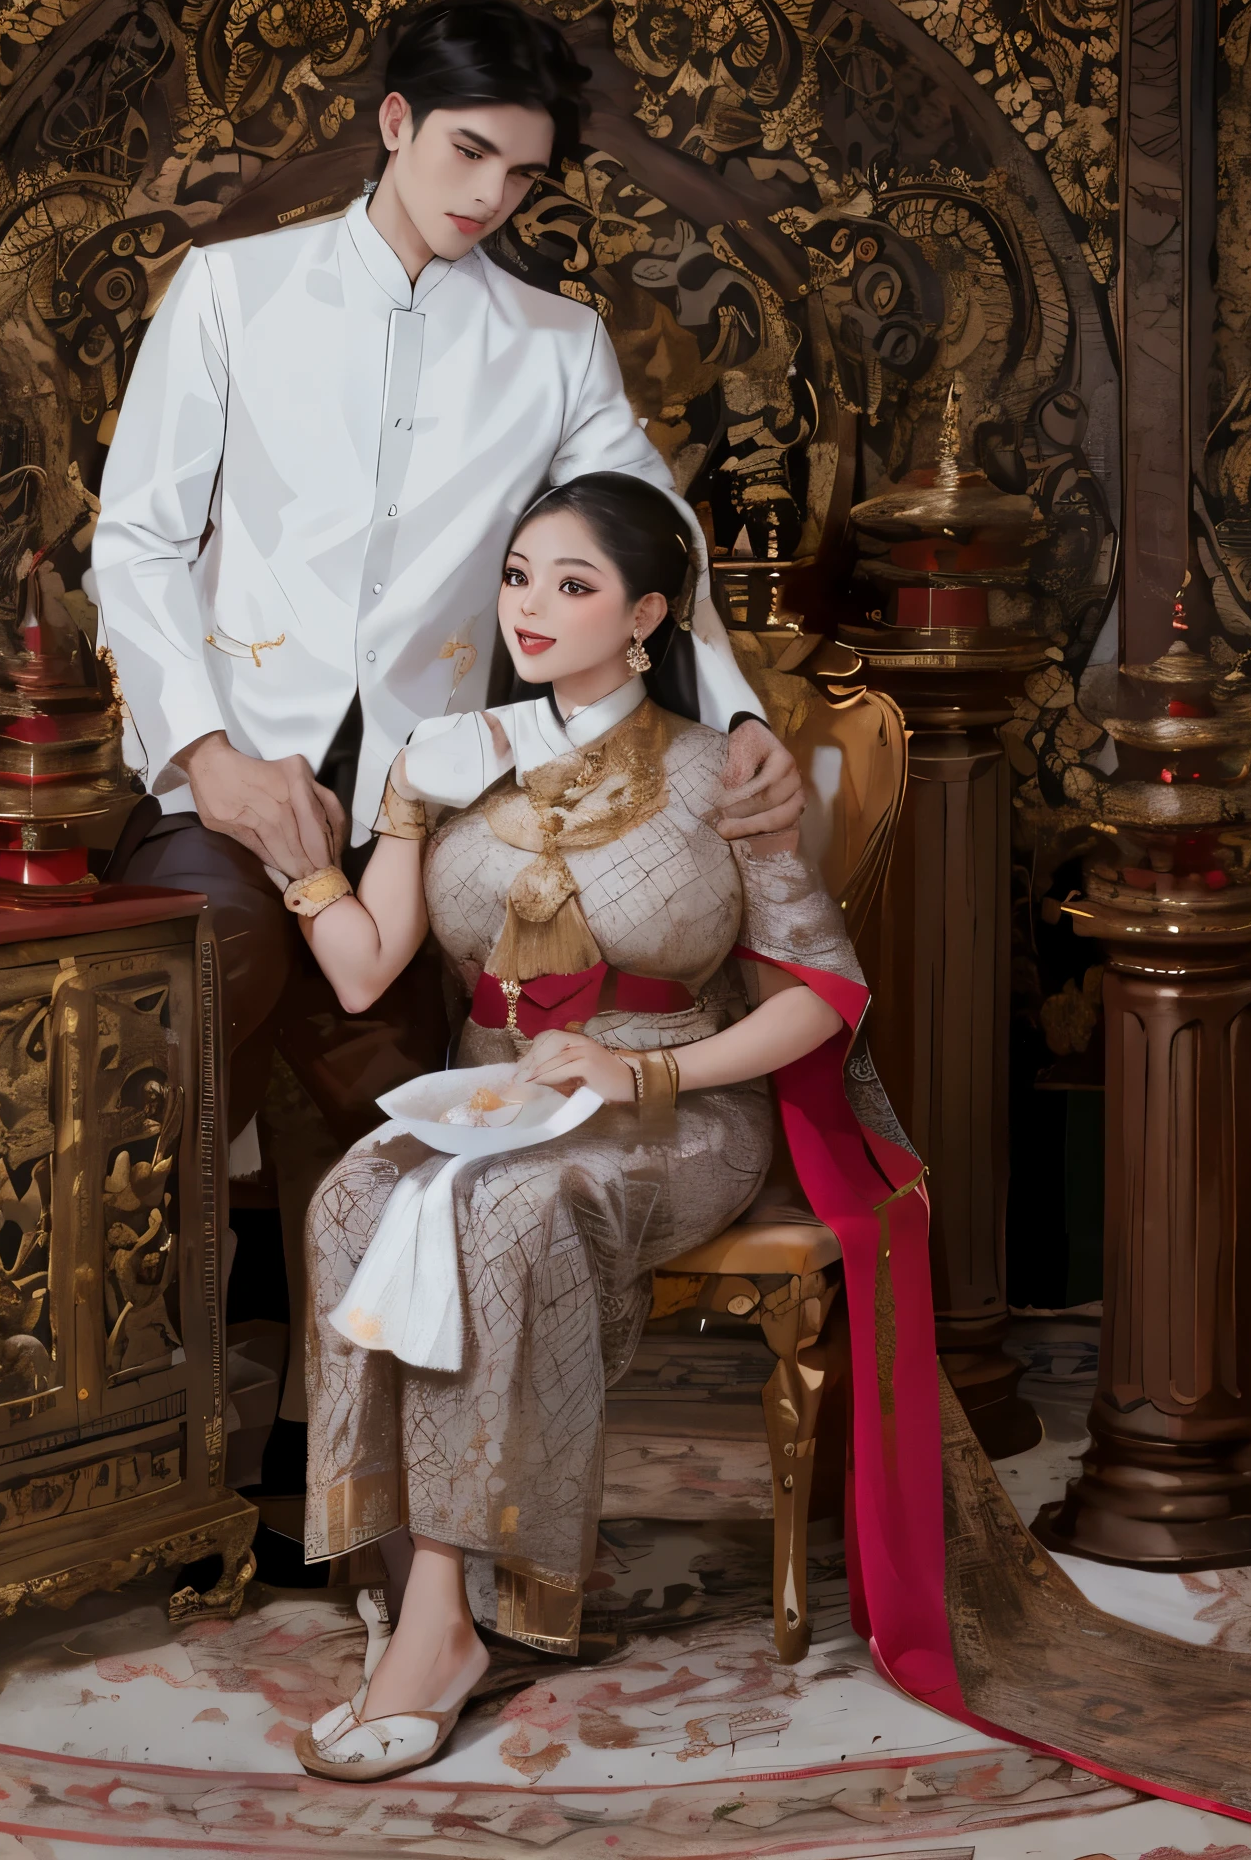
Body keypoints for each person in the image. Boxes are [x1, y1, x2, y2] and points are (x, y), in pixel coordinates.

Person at [288, 473, 940, 1783]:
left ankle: (442, 1633)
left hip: (674, 1110)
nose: (531, 606)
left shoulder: (723, 777)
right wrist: (321, 845)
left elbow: (825, 997)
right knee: (352, 1195)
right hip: (488, 1102)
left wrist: (653, 1078)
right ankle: (412, 1572)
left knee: (513, 1213)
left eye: (572, 585)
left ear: (646, 614)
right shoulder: (451, 758)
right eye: (519, 574)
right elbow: (365, 971)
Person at [88, 0, 802, 1154]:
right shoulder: (230, 291)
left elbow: (656, 536)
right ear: (394, 120)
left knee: (412, 1142)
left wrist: (739, 715)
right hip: (226, 778)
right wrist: (206, 757)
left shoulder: (554, 343)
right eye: (468, 151)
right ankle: (127, 1328)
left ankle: (347, 1331)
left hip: (428, 811)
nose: (487, 195)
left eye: (520, 175)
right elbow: (139, 540)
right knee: (179, 1024)